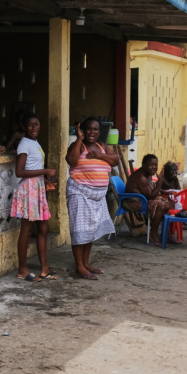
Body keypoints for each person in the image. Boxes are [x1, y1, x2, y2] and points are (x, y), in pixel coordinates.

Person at [65, 117, 119, 279]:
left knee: (90, 229)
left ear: (99, 132)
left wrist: (101, 156)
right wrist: (78, 139)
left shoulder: (101, 146)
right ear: (82, 130)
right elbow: (71, 161)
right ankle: (79, 267)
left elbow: (116, 160)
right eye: (88, 129)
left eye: (95, 129)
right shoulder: (78, 146)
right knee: (80, 229)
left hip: (97, 196)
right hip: (79, 192)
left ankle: (86, 263)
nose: (91, 132)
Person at [11, 113, 56, 281]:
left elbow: (33, 166)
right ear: (24, 127)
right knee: (27, 229)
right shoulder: (24, 144)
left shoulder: (35, 143)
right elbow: (19, 171)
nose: (34, 127)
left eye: (36, 124)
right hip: (28, 189)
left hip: (37, 188)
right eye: (30, 125)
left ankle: (45, 269)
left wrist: (44, 180)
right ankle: (22, 269)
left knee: (43, 228)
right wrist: (45, 171)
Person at [124, 153, 175, 246]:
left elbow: (152, 188)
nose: (153, 167)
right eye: (150, 165)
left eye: (155, 165)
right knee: (161, 206)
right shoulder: (141, 177)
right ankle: (153, 233)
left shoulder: (147, 174)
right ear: (143, 165)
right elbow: (152, 196)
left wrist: (165, 192)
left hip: (144, 198)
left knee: (171, 202)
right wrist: (160, 182)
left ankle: (166, 233)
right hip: (133, 202)